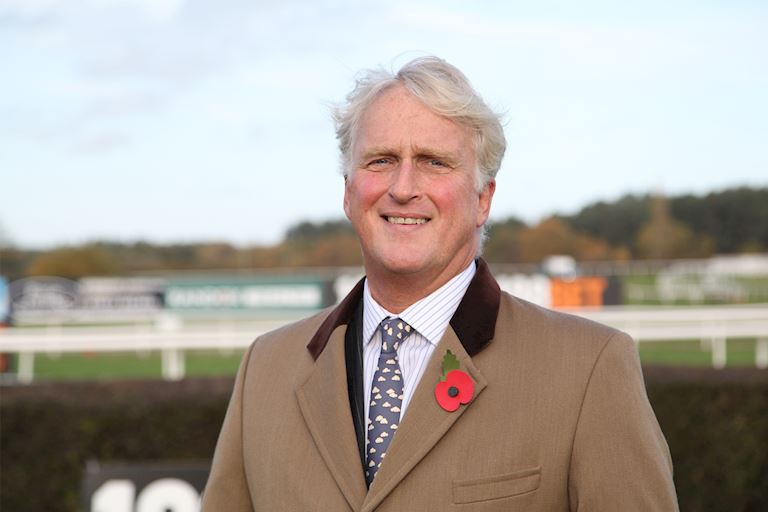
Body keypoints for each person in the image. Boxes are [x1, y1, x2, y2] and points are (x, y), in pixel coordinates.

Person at [201, 56, 678, 511]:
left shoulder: (589, 369)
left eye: (434, 162)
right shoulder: (265, 369)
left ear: (483, 198)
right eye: (381, 160)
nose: (403, 187)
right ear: (348, 192)